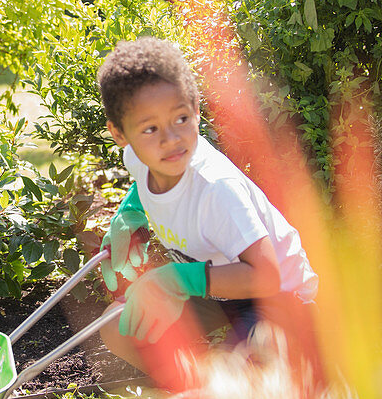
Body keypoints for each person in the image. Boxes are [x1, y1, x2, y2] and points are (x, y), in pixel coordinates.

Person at [96, 37, 317, 375]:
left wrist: (176, 279)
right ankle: (192, 394)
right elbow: (150, 183)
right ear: (120, 133)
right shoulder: (138, 159)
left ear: (197, 109)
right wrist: (128, 214)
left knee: (239, 381)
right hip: (221, 292)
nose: (171, 138)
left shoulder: (216, 190)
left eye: (181, 118)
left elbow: (267, 277)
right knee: (118, 326)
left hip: (282, 301)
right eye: (150, 128)